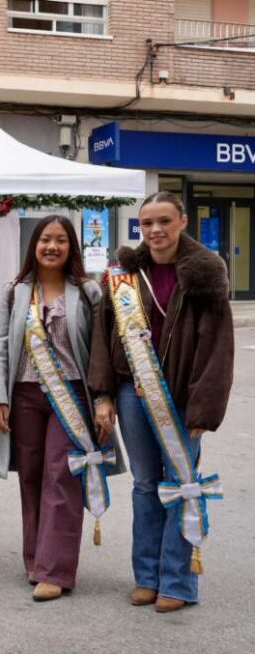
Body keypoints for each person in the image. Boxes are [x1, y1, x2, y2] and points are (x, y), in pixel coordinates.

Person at [89, 192, 233, 613]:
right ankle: (146, 577)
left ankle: (178, 582)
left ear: (182, 221)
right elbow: (103, 336)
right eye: (146, 223)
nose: (155, 230)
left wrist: (205, 410)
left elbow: (218, 347)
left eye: (164, 221)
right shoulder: (123, 274)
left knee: (181, 484)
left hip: (182, 399)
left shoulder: (205, 271)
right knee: (144, 486)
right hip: (132, 395)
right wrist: (103, 395)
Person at [0, 215, 121, 601]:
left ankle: (55, 570)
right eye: (45, 240)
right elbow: (0, 346)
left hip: (71, 395)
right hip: (23, 394)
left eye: (60, 240)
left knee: (62, 475)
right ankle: (36, 558)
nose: (52, 247)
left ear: (71, 246)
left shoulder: (88, 293)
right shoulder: (15, 291)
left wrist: (104, 398)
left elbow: (102, 352)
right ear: (34, 246)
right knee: (32, 477)